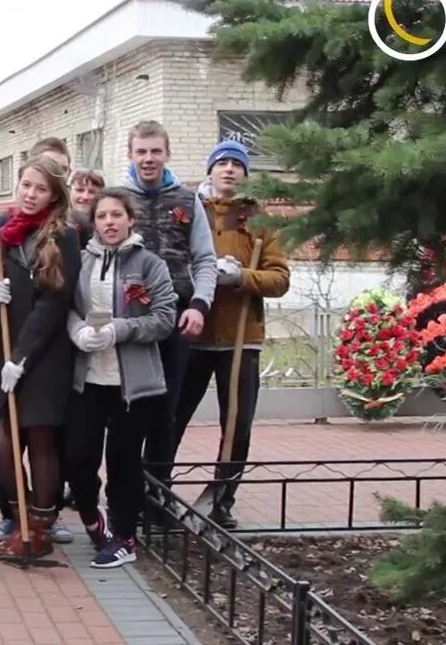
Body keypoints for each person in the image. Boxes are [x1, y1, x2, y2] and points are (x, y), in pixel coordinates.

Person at [0, 153, 81, 559]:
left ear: (54, 194)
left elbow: (55, 302)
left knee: (41, 437)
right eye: (25, 185)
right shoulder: (2, 228)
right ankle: (20, 513)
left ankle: (40, 527)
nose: (30, 194)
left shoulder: (64, 233)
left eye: (40, 188)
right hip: (0, 343)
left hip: (42, 351)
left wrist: (23, 357)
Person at [173, 141, 290, 529]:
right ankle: (155, 489)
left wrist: (242, 276)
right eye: (221, 163)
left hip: (241, 337)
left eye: (235, 165)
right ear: (209, 170)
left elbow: (280, 278)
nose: (227, 170)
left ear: (244, 173)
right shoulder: (191, 211)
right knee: (172, 417)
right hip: (194, 331)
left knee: (236, 423)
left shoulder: (258, 220)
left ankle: (223, 498)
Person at [65, 188, 176, 568]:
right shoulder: (80, 262)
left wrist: (121, 329)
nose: (109, 222)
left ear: (131, 219)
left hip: (134, 384)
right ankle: (94, 521)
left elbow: (164, 319)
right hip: (89, 377)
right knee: (78, 455)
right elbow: (67, 307)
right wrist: (78, 331)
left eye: (116, 215)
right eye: (101, 216)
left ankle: (124, 537)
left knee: (123, 462)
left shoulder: (150, 264)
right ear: (92, 222)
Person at [118, 120, 217, 495]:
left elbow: (205, 259)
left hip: (176, 320)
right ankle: (126, 495)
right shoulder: (116, 200)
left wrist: (199, 305)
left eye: (155, 151)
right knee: (127, 412)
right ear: (130, 155)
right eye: (141, 152)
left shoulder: (189, 201)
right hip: (129, 320)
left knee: (166, 411)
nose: (148, 159)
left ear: (167, 153)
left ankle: (159, 493)